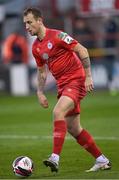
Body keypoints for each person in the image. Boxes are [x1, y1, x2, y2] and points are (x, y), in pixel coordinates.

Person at [23, 7, 111, 173]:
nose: (27, 27)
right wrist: (40, 92)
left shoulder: (57, 36)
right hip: (63, 85)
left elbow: (82, 50)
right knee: (73, 128)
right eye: (25, 23)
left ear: (39, 21)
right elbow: (42, 72)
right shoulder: (35, 48)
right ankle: (102, 160)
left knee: (58, 112)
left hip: (76, 80)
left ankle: (55, 158)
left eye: (29, 22)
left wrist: (88, 76)